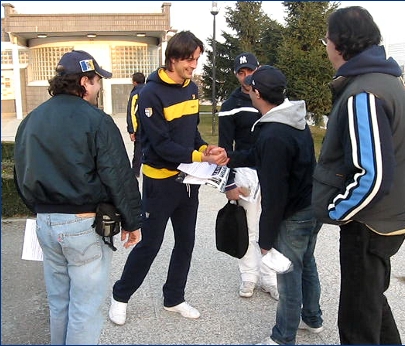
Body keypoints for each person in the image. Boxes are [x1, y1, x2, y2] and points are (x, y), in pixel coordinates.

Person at [13, 50, 142, 345]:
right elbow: (118, 174)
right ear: (85, 80)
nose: (99, 87)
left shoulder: (31, 120)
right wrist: (133, 221)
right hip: (83, 224)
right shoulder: (96, 120)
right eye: (97, 81)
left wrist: (40, 209)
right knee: (85, 309)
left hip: (46, 221)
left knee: (59, 305)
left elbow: (22, 173)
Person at [312, 6, 405, 344]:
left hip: (370, 225)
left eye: (326, 39)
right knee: (372, 304)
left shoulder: (364, 93)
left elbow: (373, 176)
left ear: (339, 44)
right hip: (388, 219)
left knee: (358, 322)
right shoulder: (385, 79)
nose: (325, 46)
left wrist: (337, 210)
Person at [109, 30, 228, 325]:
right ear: (173, 58)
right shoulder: (149, 93)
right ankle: (120, 296)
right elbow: (161, 145)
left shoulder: (191, 89)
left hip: (189, 182)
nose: (194, 66)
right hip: (159, 182)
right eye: (190, 60)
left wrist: (205, 148)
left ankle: (173, 298)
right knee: (150, 243)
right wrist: (201, 157)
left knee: (186, 242)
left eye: (197, 60)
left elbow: (192, 134)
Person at [227, 65, 323, 345]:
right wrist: (229, 157)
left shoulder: (273, 134)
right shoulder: (292, 120)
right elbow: (259, 156)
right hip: (310, 206)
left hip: (293, 214)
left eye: (250, 88)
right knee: (306, 264)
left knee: (288, 276)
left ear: (257, 93)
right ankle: (313, 319)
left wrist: (266, 240)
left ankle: (283, 337)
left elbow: (275, 194)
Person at [218, 53, 278, 301]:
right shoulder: (230, 105)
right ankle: (249, 277)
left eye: (250, 71)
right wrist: (228, 183)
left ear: (258, 69)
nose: (246, 76)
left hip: (272, 170)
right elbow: (224, 149)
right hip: (245, 173)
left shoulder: (270, 98)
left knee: (271, 226)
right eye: (241, 72)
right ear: (236, 74)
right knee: (249, 227)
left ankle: (270, 277)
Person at [126, 72, 146, 178]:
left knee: (138, 150)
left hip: (140, 128)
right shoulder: (150, 91)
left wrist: (132, 130)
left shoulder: (135, 94)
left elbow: (132, 113)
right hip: (151, 127)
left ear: (134, 82)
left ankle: (135, 172)